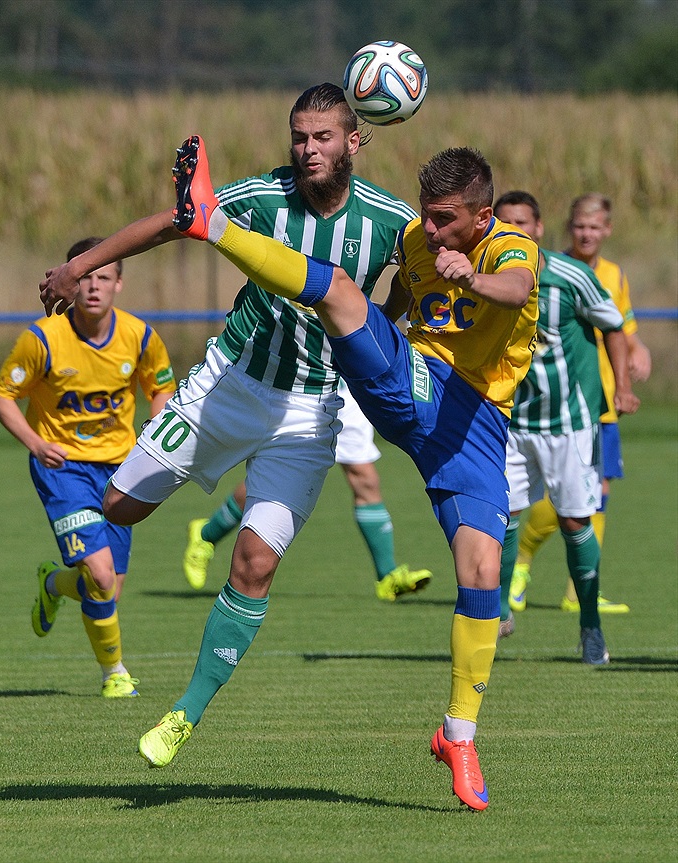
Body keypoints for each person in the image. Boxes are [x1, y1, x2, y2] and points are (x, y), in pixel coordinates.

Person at [39, 134, 541, 810]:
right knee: (335, 288)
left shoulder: (510, 246)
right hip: (413, 379)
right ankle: (209, 218)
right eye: (425, 211)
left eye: (445, 217)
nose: (428, 226)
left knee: (482, 572)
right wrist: (367, 332)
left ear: (482, 216)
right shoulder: (419, 241)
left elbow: (517, 288)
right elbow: (390, 305)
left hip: (476, 424)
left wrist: (470, 276)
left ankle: (458, 733)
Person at [37, 86, 430, 768]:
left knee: (255, 563)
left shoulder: (391, 221)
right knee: (117, 508)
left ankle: (184, 713)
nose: (309, 149)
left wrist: (388, 323)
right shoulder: (263, 195)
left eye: (324, 138)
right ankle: (64, 580)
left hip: (309, 414)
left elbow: (417, 279)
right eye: (300, 137)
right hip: (228, 384)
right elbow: (175, 221)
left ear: (355, 142)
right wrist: (80, 264)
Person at [0, 237, 175, 696]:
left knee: (105, 589)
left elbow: (160, 387)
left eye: (104, 277)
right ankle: (114, 674)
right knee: (101, 575)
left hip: (120, 471)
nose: (94, 286)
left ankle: (52, 584)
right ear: (70, 283)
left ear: (119, 285)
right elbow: (1, 395)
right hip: (63, 467)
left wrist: (156, 428)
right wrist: (34, 442)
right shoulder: (44, 338)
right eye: (86, 276)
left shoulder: (140, 336)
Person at [492, 191, 640, 654]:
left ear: (538, 228)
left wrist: (622, 387)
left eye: (523, 223)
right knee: (501, 516)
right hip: (511, 421)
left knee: (576, 520)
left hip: (569, 423)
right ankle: (498, 612)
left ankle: (590, 624)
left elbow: (613, 326)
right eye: (505, 223)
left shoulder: (569, 276)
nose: (514, 231)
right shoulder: (481, 278)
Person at [183, 378, 432, 600]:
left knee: (365, 479)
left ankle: (387, 575)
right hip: (303, 393)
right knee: (270, 481)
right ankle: (206, 535)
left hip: (346, 391)